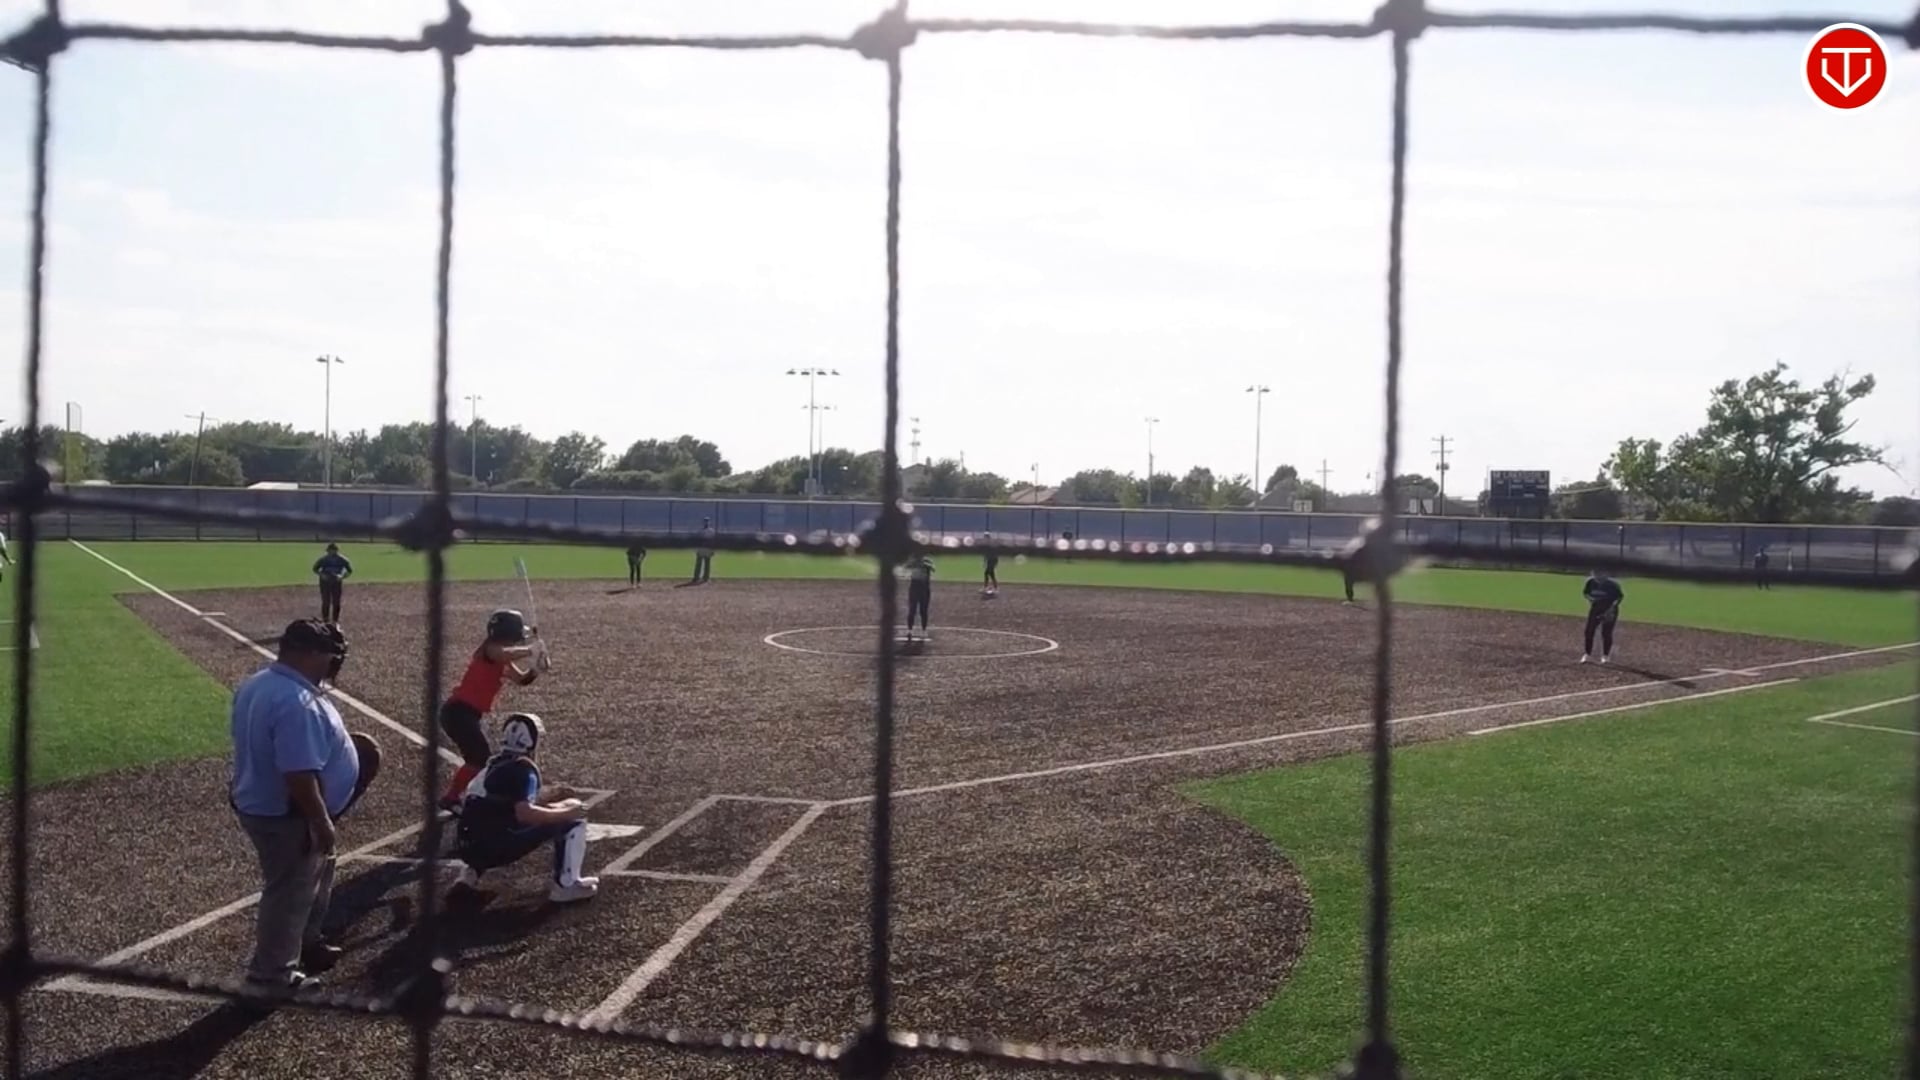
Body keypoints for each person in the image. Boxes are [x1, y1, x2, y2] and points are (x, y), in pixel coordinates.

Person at [229, 619, 383, 992]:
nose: (334, 663)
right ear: (310, 654)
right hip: (289, 816)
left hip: (270, 804)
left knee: (314, 877)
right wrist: (320, 822)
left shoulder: (259, 682)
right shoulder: (297, 704)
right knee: (288, 895)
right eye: (330, 655)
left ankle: (306, 944)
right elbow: (299, 774)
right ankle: (270, 977)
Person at [450, 713, 599, 903]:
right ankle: (566, 886)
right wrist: (566, 813)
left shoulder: (492, 765)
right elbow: (524, 813)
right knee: (574, 816)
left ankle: (468, 877)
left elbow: (480, 806)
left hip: (465, 847)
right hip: (493, 849)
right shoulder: (523, 770)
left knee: (488, 822)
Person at [437, 609, 547, 813]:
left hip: (465, 714)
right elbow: (502, 654)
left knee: (478, 757)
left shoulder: (500, 656)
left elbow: (521, 679)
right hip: (458, 713)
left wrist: (536, 669)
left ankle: (456, 796)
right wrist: (530, 650)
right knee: (479, 757)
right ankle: (452, 798)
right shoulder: (490, 650)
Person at [1580, 570, 1624, 665]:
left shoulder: (1612, 585)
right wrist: (1591, 599)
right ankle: (1587, 654)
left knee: (1606, 632)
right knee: (1589, 631)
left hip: (1609, 609)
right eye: (1595, 573)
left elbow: (1619, 597)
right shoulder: (1591, 583)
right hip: (1596, 609)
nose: (1597, 576)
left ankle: (1605, 656)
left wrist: (1611, 609)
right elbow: (1586, 593)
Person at [312, 543, 352, 625]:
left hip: (336, 581)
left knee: (336, 601)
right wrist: (322, 575)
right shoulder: (323, 559)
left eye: (333, 550)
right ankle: (325, 619)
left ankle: (335, 620)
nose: (332, 552)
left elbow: (349, 571)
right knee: (326, 601)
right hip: (325, 582)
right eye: (330, 551)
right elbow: (315, 569)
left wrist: (342, 577)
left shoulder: (342, 560)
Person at [905, 553, 934, 641]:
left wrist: (924, 564)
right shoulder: (913, 560)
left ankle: (924, 630)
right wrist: (915, 563)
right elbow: (907, 566)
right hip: (914, 587)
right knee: (912, 610)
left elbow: (933, 568)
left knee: (923, 611)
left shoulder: (927, 560)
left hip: (924, 587)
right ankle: (909, 630)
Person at [689, 517, 716, 585]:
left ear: (709, 522)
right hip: (701, 549)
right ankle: (696, 578)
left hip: (707, 549)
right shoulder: (700, 531)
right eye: (705, 521)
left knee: (707, 564)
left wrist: (713, 550)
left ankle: (706, 578)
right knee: (698, 564)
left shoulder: (712, 531)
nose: (706, 522)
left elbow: (713, 541)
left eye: (707, 521)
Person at [981, 531, 999, 598]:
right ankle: (995, 588)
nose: (985, 538)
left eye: (986, 537)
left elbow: (994, 553)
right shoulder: (986, 544)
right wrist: (985, 561)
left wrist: (995, 562)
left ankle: (987, 587)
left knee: (987, 573)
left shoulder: (991, 544)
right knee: (991, 574)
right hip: (990, 560)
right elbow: (985, 554)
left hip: (992, 560)